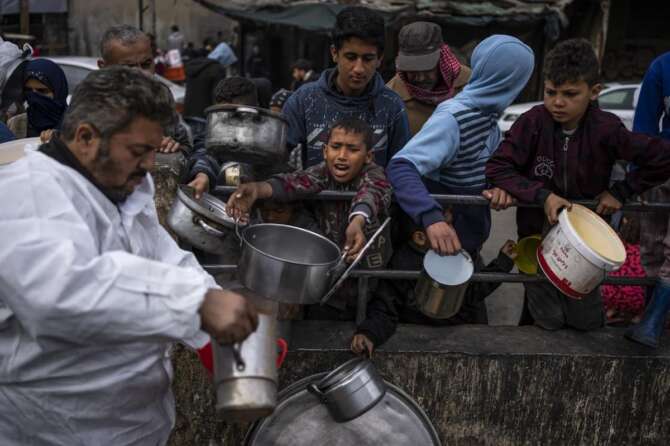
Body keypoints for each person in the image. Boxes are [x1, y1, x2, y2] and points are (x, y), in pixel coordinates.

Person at [0, 66, 258, 444]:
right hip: (54, 432)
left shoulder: (123, 185)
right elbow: (59, 296)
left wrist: (212, 324)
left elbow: (164, 257)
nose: (150, 164)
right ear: (86, 137)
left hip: (136, 426)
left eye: (154, 150)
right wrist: (194, 303)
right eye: (139, 151)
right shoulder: (28, 194)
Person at [485, 39, 670, 332]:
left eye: (570, 94)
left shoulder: (606, 128)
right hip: (537, 241)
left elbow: (661, 158)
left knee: (585, 322)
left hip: (588, 244)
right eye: (551, 92)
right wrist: (541, 195)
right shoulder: (532, 123)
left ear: (594, 92)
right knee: (544, 320)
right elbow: (497, 166)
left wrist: (622, 191)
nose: (558, 102)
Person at [227, 117, 396, 354]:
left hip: (368, 281)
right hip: (328, 283)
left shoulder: (375, 175)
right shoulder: (321, 174)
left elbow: (371, 194)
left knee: (375, 320)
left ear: (368, 156)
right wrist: (256, 189)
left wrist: (357, 220)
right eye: (336, 147)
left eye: (353, 149)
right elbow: (292, 183)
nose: (342, 156)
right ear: (325, 151)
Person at [387, 35, 534, 259]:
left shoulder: (487, 117)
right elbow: (400, 166)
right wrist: (432, 218)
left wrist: (499, 186)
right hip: (435, 248)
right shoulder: (453, 117)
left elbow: (486, 167)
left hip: (465, 245)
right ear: (511, 82)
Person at [282, 6, 410, 168]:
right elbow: (278, 156)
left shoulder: (392, 105)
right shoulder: (303, 100)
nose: (358, 68)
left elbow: (402, 166)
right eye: (351, 57)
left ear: (379, 59)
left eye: (368, 59)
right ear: (335, 53)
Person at [625, 51, 670, 347]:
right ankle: (655, 318)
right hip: (661, 168)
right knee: (652, 246)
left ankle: (653, 322)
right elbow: (644, 127)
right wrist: (637, 178)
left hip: (659, 166)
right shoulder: (662, 67)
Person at [98, 25, 190, 156]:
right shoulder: (91, 102)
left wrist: (174, 146)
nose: (142, 74)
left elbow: (186, 144)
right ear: (104, 67)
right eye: (128, 67)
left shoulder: (161, 94)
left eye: (146, 64)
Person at [387, 21, 472, 136]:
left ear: (442, 60)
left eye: (428, 69)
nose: (421, 78)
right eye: (412, 70)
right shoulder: (390, 99)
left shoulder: (471, 83)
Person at [7, 58, 68, 141]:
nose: (34, 97)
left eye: (42, 91)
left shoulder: (76, 125)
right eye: (28, 90)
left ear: (59, 92)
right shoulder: (16, 124)